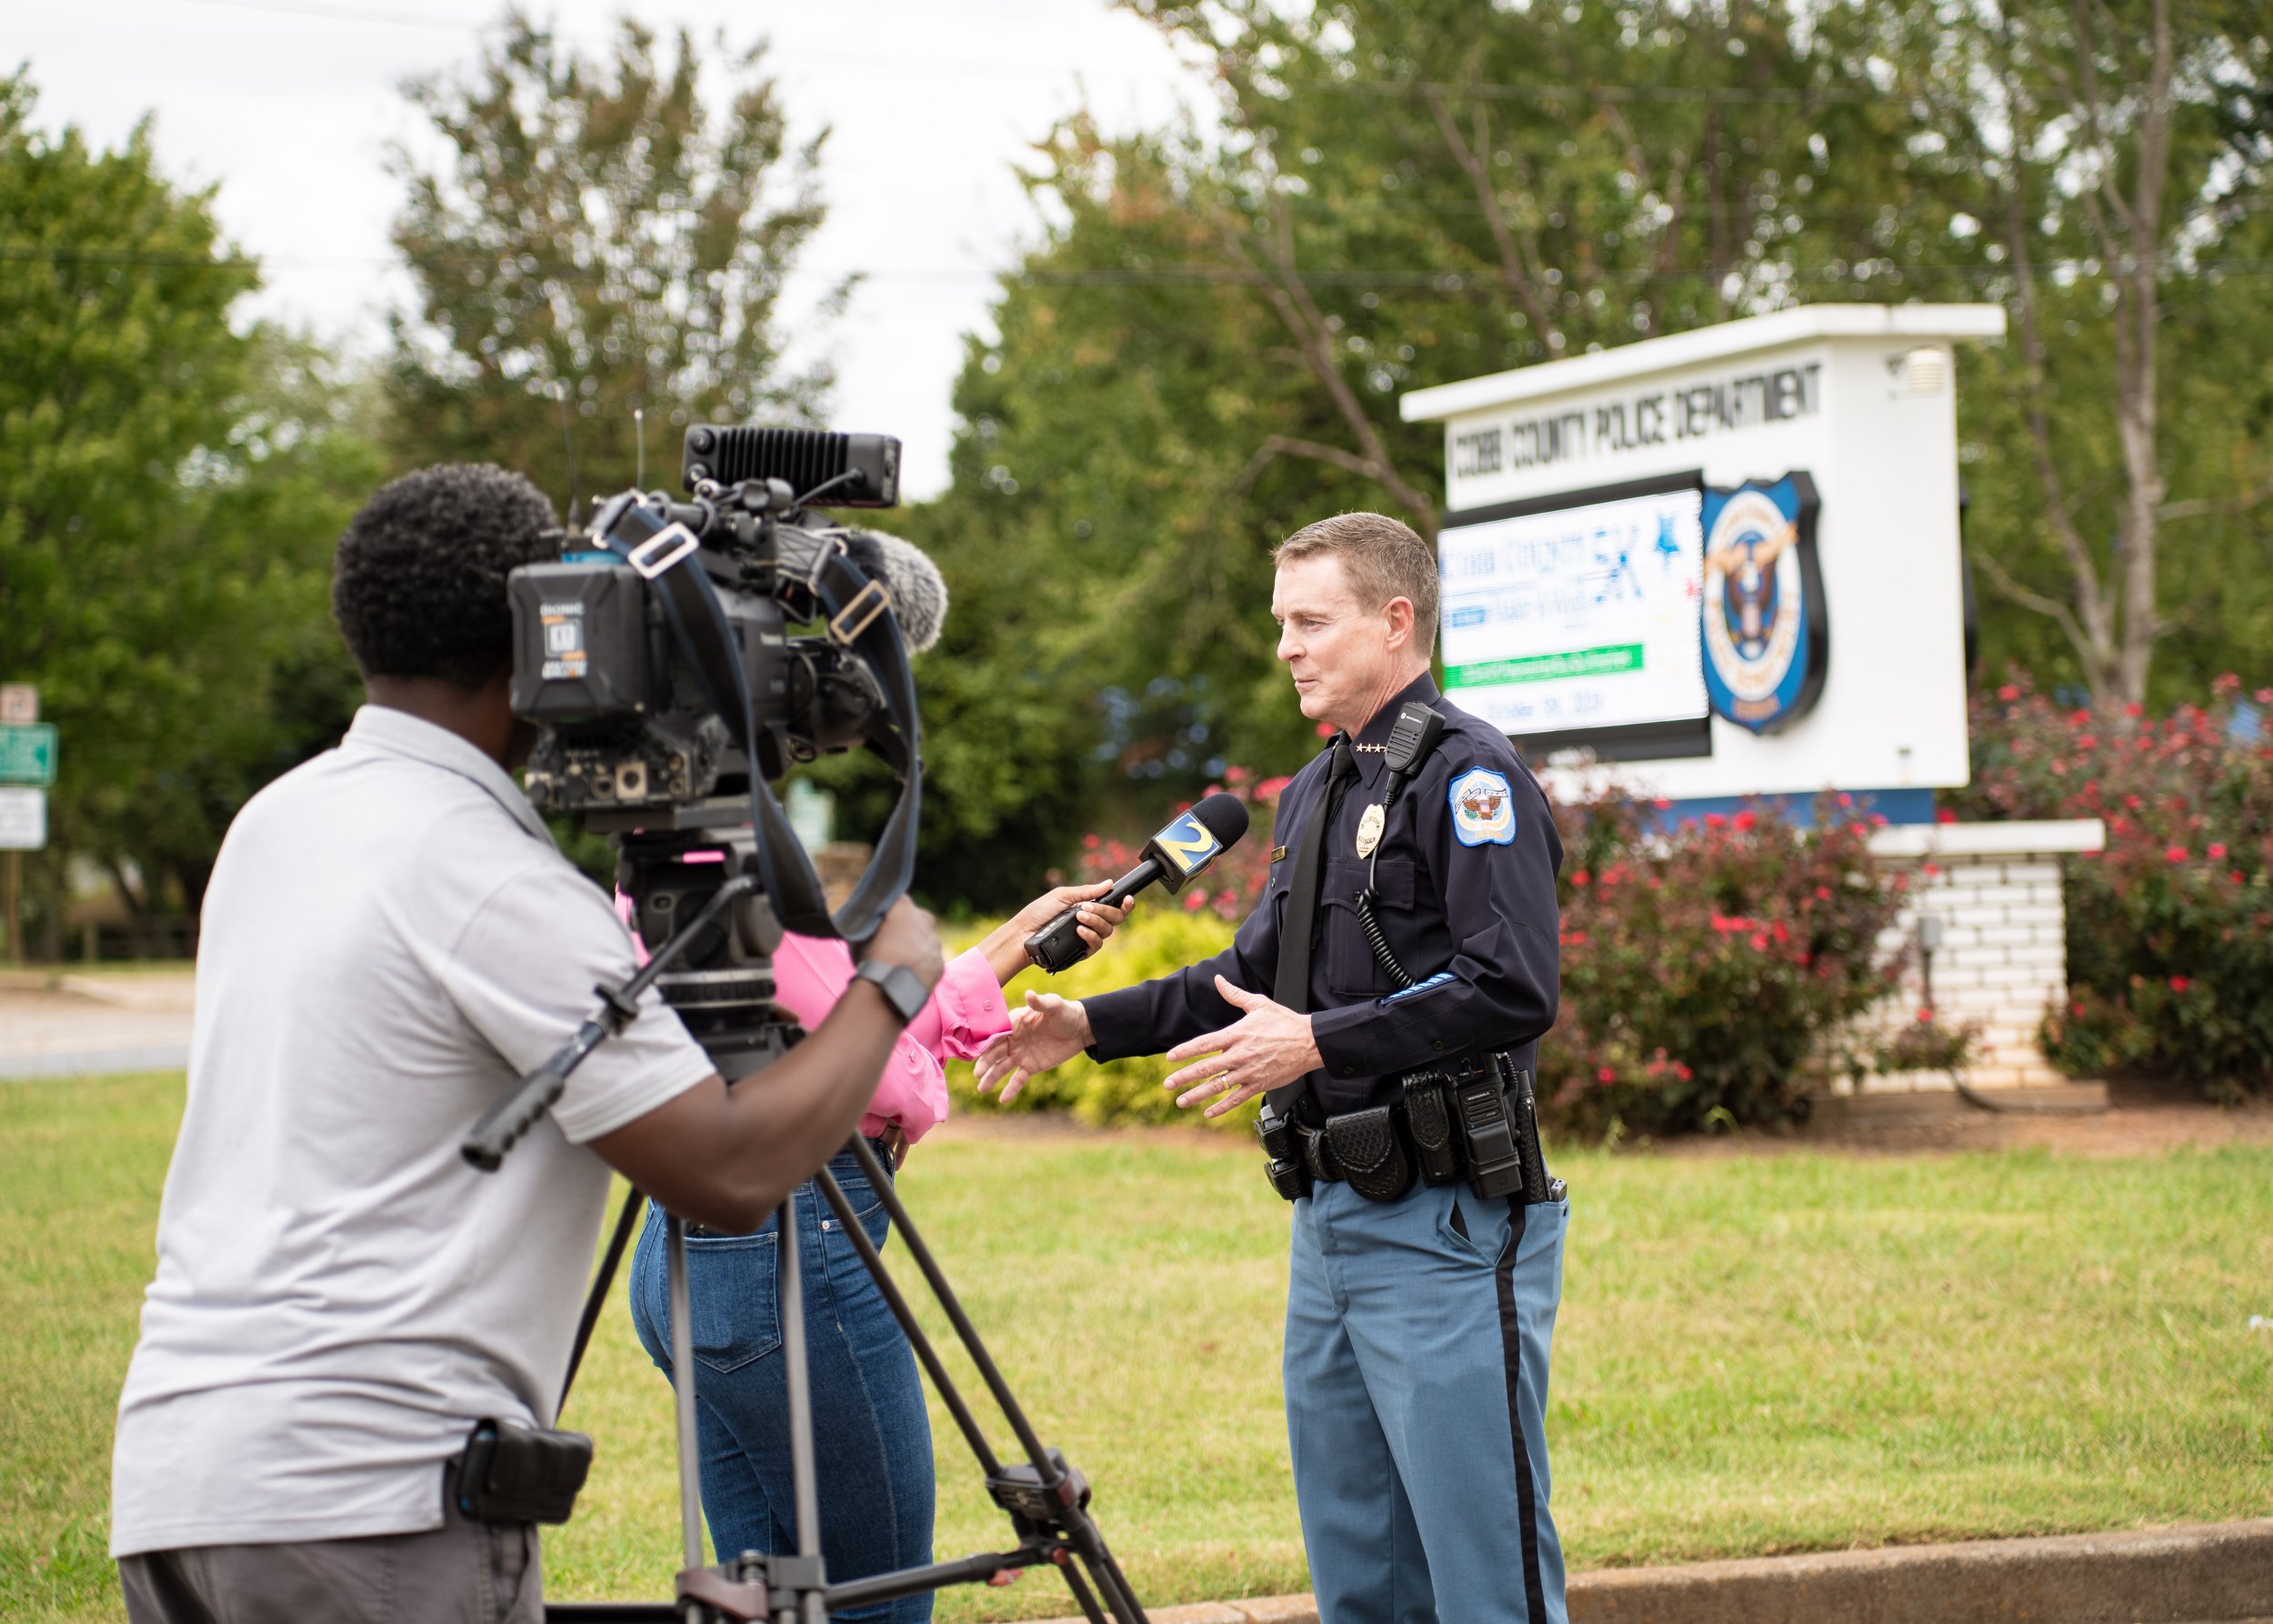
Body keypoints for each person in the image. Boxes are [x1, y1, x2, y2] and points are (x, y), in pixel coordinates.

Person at [109, 464, 944, 1624]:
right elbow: (730, 1170)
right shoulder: (481, 873)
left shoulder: (281, 818)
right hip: (370, 1511)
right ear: (532, 628)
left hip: (185, 1485)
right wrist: (894, 978)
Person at [975, 512, 1569, 1624]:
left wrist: (1320, 1040)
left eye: (1312, 621)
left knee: (1485, 1573)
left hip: (1445, 1226)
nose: (1287, 647)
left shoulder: (1469, 775)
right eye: (1279, 624)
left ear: (1396, 622)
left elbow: (1512, 986)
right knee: (1363, 1576)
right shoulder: (1315, 791)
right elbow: (1243, 978)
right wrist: (1085, 1025)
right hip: (1330, 1225)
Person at [626, 884, 1126, 1622]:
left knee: (768, 1600)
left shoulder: (663, 865)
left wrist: (1018, 938)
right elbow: (863, 1045)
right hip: (790, 1241)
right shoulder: (737, 865)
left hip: (696, 1237)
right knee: (877, 1595)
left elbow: (856, 1012)